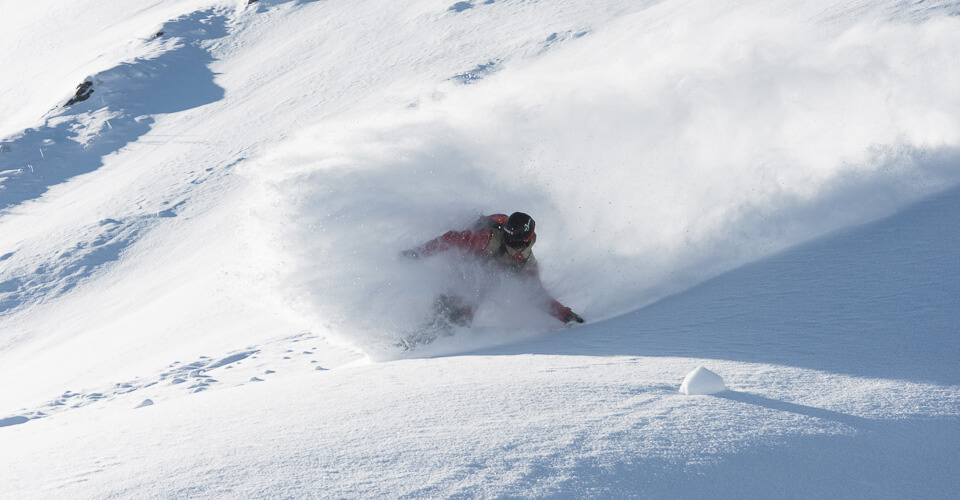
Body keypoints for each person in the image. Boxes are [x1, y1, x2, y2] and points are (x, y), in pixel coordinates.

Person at [401, 212, 584, 329]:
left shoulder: (526, 265)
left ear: (529, 241)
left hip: (485, 276)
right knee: (455, 296)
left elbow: (538, 297)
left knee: (468, 307)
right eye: (510, 241)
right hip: (468, 263)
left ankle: (447, 333)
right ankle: (422, 332)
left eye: (519, 244)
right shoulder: (487, 239)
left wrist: (567, 316)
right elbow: (451, 238)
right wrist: (419, 252)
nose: (514, 247)